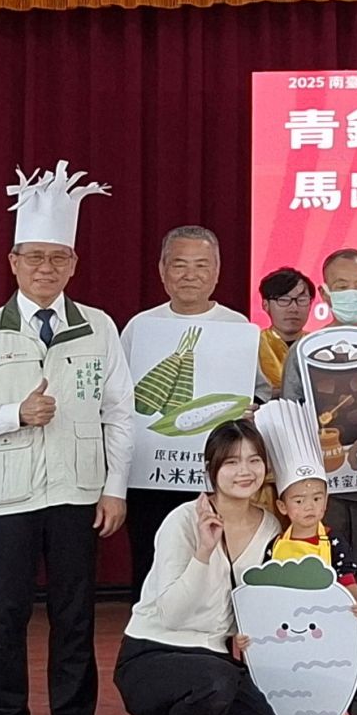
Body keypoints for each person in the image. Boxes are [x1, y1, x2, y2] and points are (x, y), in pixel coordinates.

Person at [0, 162, 130, 715]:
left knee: (75, 618)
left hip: (77, 492)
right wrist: (15, 414)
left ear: (73, 264)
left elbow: (119, 413)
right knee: (5, 618)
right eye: (34, 257)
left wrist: (114, 489)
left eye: (57, 258)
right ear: (13, 262)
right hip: (8, 498)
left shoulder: (98, 326)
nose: (45, 268)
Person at [271, 247, 357, 715]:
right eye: (340, 285)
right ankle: (318, 704)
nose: (351, 293)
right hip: (318, 497)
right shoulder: (305, 352)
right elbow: (289, 415)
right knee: (313, 598)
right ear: (326, 292)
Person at [113, 420, 294, 715]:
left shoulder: (271, 527)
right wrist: (203, 552)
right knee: (217, 679)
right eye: (232, 462)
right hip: (153, 655)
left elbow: (260, 602)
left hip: (215, 660)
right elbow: (172, 614)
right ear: (211, 468)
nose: (245, 471)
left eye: (254, 460)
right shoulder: (182, 521)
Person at [119, 229, 251, 648]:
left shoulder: (238, 327)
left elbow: (256, 400)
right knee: (154, 568)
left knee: (221, 574)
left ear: (217, 272)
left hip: (218, 482)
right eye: (179, 264)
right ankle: (153, 657)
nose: (190, 275)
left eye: (201, 265)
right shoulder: (141, 327)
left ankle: (219, 661)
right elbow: (120, 400)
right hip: (151, 478)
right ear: (162, 270)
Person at [252, 400, 357, 715]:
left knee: (323, 683)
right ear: (283, 506)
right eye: (300, 500)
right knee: (288, 683)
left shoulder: (333, 542)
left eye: (317, 498)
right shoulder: (275, 544)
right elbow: (264, 591)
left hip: (324, 631)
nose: (309, 507)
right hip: (286, 632)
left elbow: (346, 577)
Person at [254, 266, 315, 400]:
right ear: (265, 305)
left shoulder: (316, 346)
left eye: (302, 300)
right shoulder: (253, 346)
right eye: (283, 300)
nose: (293, 308)